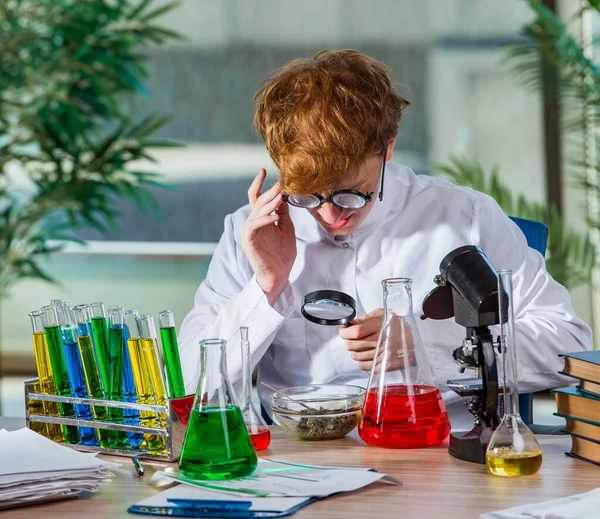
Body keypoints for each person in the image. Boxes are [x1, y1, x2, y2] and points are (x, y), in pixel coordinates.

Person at [178, 49, 592, 430]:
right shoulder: (248, 234)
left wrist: (423, 343)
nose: (329, 215)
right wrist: (264, 288)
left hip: (438, 454)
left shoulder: (464, 217)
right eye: (307, 195)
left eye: (350, 193)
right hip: (302, 461)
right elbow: (189, 386)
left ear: (388, 147)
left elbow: (569, 349)